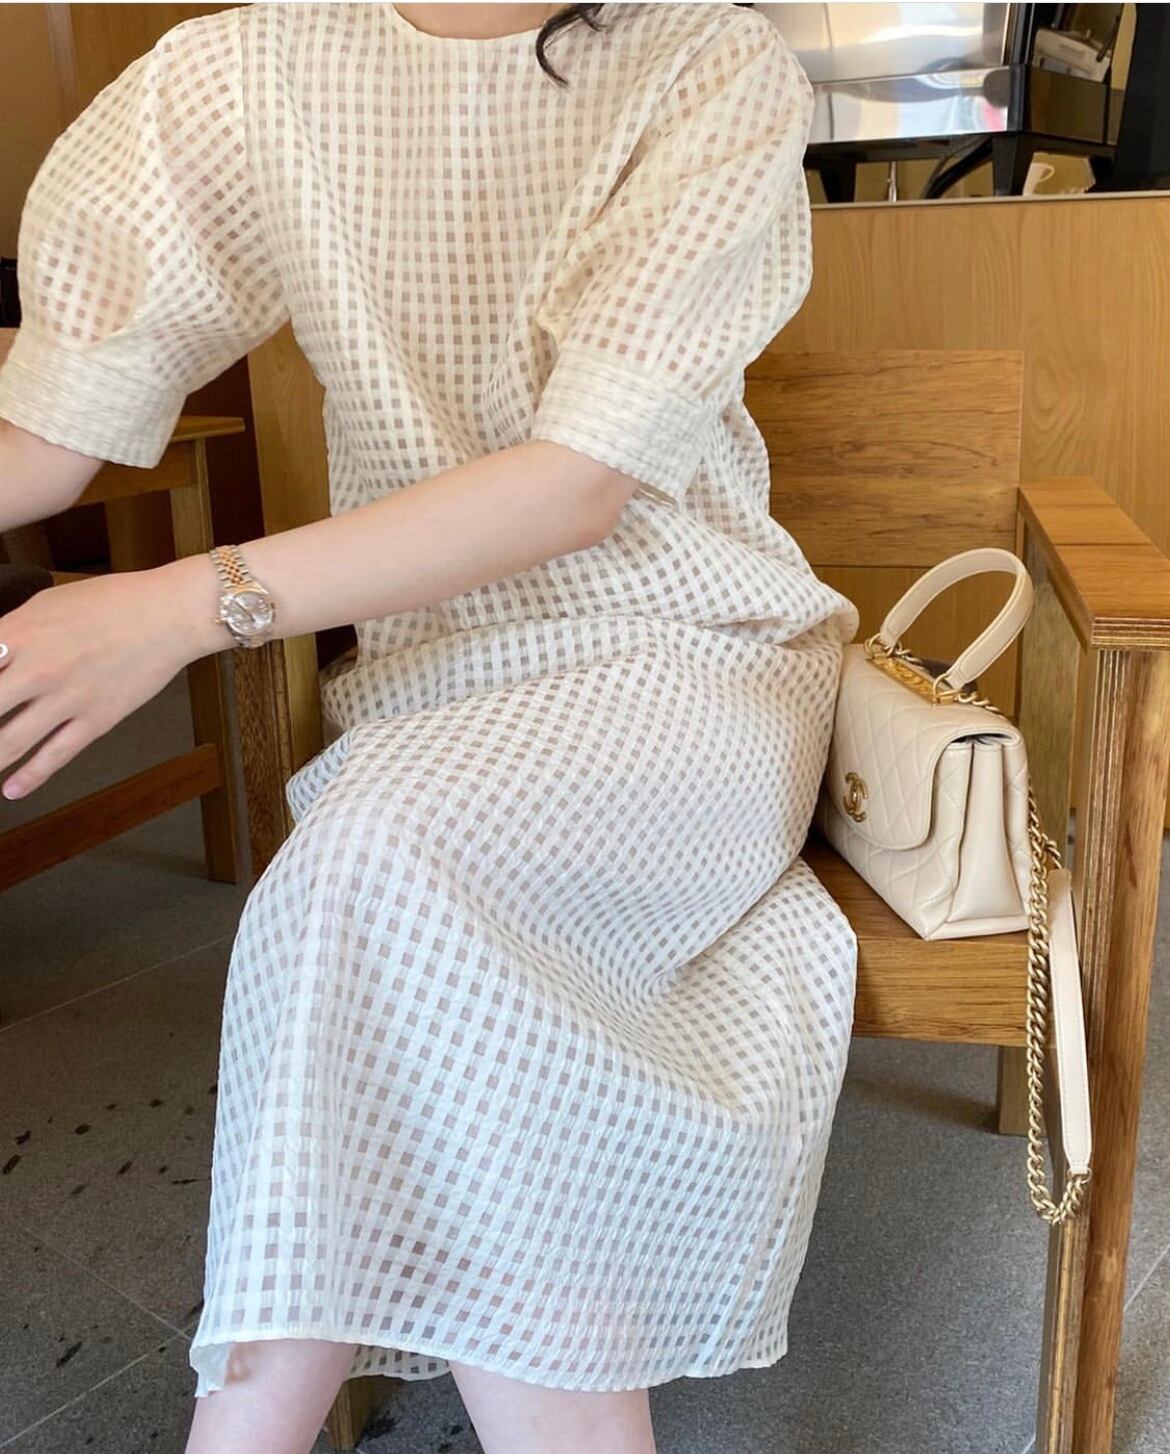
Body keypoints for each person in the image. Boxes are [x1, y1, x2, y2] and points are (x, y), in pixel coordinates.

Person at [0, 4, 862, 1451]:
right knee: (389, 901)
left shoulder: (708, 60)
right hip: (436, 685)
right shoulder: (252, 68)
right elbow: (51, 423)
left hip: (690, 657)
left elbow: (576, 483)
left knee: (365, 869)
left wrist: (179, 605)